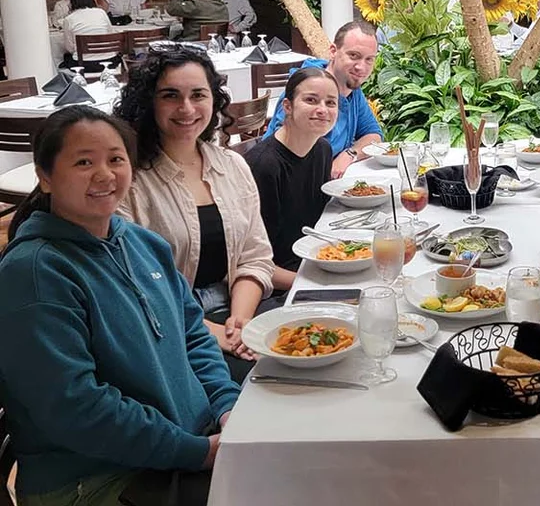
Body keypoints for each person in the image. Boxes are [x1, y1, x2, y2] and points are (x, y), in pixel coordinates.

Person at [0, 106, 237, 504]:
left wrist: (228, 407)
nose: (105, 175)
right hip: (96, 479)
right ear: (44, 176)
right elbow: (78, 409)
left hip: (178, 446)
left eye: (115, 159)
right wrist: (197, 452)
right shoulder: (35, 273)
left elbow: (193, 335)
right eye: (83, 162)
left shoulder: (141, 243)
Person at [114, 46, 276, 382]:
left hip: (235, 307)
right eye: (170, 95)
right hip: (167, 329)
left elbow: (254, 257)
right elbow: (135, 289)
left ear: (214, 101)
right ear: (149, 103)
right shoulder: (129, 180)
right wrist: (216, 335)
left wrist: (240, 322)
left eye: (198, 94)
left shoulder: (232, 166)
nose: (186, 108)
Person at [245, 68, 337, 287]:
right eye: (311, 100)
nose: (322, 110)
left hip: (316, 262)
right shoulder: (264, 166)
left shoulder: (322, 149)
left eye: (331, 103)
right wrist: (312, 283)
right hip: (279, 281)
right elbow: (252, 261)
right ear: (287, 106)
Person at [265, 20, 383, 178]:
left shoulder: (352, 90)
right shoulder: (304, 90)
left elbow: (373, 134)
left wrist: (349, 155)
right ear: (333, 51)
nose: (361, 67)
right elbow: (287, 155)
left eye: (369, 59)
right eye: (354, 56)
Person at [60, 0, 117, 71]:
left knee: (65, 57)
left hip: (83, 64)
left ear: (72, 1)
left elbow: (70, 48)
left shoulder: (69, 19)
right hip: (109, 61)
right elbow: (110, 35)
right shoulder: (101, 13)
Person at [165, 0, 230, 42]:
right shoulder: (223, 7)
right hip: (216, 44)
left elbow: (172, 8)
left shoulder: (196, 4)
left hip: (192, 45)